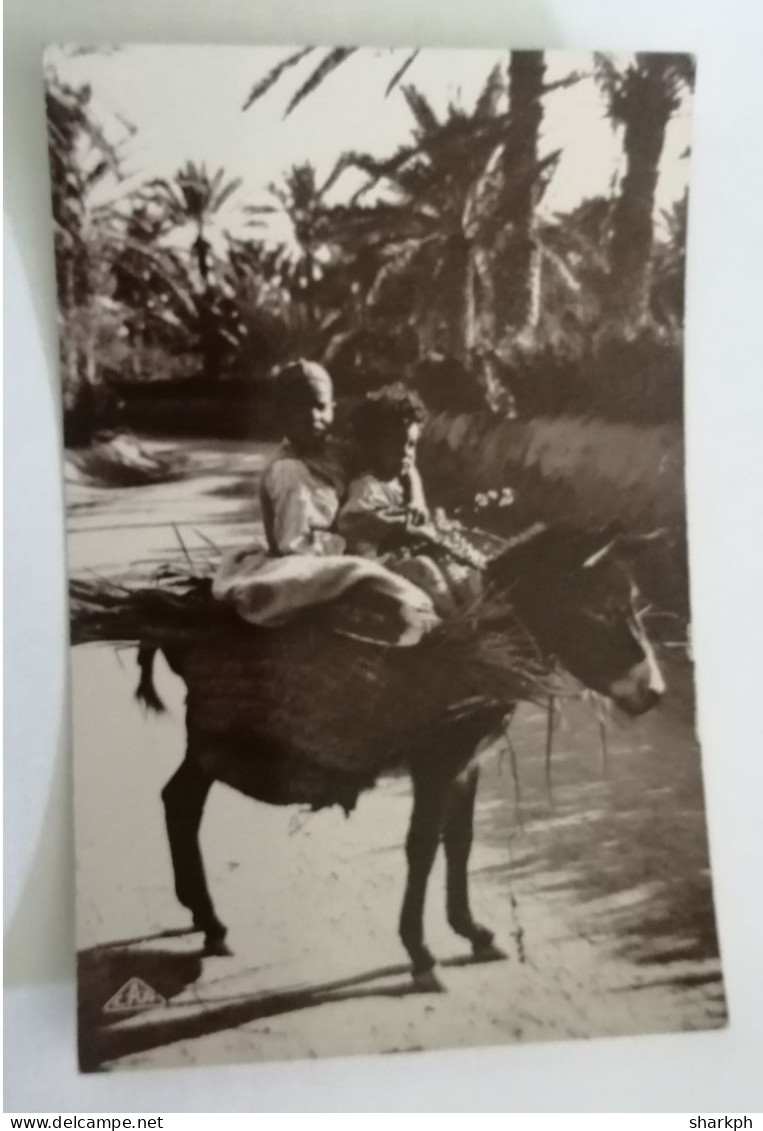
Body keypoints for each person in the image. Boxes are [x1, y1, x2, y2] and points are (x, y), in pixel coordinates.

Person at [212, 361, 439, 644]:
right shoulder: (288, 471)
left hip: (346, 548)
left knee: (422, 565)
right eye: (298, 409)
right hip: (306, 561)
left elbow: (399, 462)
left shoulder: (337, 450)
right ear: (280, 415)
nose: (311, 417)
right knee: (367, 579)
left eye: (320, 407)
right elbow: (296, 547)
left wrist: (417, 499)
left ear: (332, 407)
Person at [338, 385, 467, 616]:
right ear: (374, 445)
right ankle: (459, 625)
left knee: (454, 562)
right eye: (396, 444)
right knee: (425, 569)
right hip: (372, 566)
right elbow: (352, 523)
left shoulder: (400, 477)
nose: (405, 453)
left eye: (411, 445)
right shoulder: (367, 485)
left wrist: (418, 504)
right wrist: (408, 526)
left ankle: (472, 606)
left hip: (399, 557)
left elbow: (410, 470)